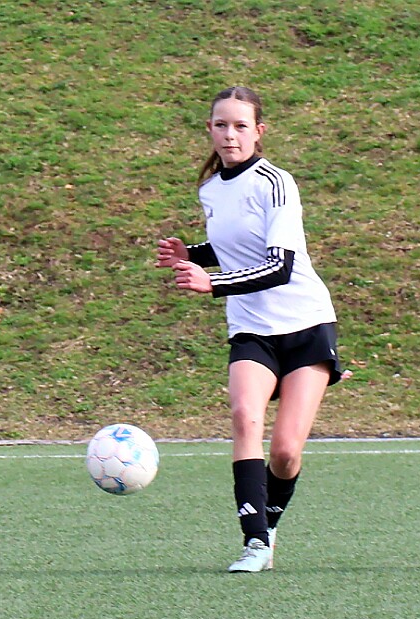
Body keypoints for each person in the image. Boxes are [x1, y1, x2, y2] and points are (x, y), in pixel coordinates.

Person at [156, 86, 342, 573]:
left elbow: (279, 265)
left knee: (285, 452)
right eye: (221, 125)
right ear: (209, 130)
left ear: (259, 132)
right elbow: (237, 246)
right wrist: (193, 254)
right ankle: (255, 542)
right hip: (251, 329)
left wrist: (212, 283)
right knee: (243, 417)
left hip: (306, 325)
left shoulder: (276, 183)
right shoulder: (210, 189)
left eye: (240, 126)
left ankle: (271, 522)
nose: (230, 134)